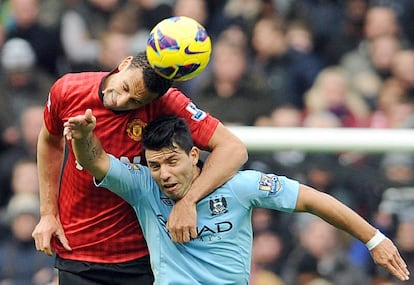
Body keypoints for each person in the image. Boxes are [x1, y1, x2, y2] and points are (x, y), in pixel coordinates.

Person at [64, 110, 410, 284]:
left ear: (194, 156)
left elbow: (313, 200)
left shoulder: (240, 186)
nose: (164, 174)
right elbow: (95, 160)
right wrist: (80, 136)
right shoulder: (144, 187)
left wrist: (374, 238)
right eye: (155, 165)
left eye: (172, 161)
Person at [31, 52, 248, 284]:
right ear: (124, 63)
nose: (121, 101)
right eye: (125, 88)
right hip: (78, 248)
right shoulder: (68, 90)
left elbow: (233, 150)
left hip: (145, 253)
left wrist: (188, 201)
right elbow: (50, 140)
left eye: (135, 101)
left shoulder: (167, 103)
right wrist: (47, 214)